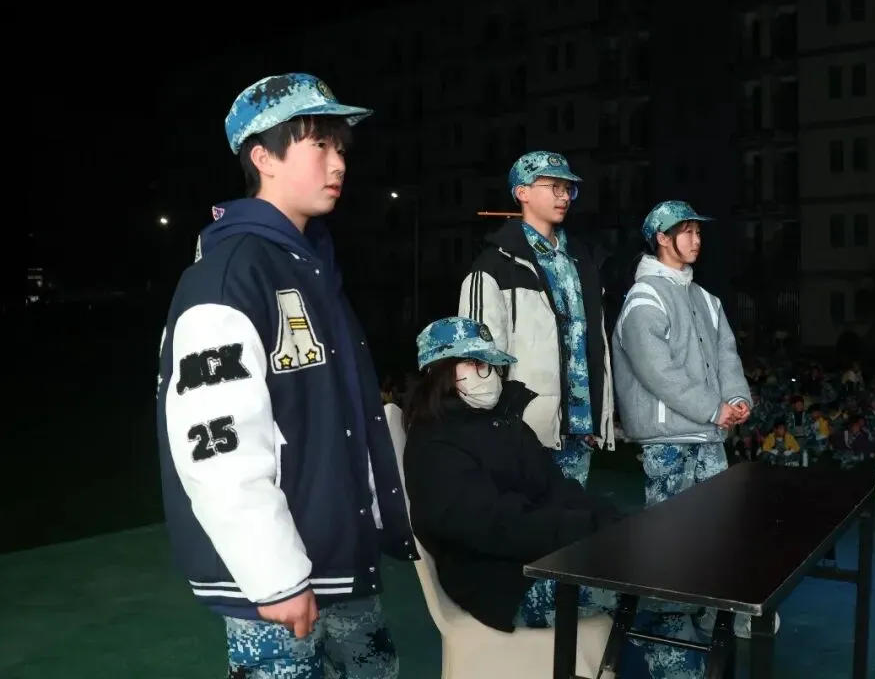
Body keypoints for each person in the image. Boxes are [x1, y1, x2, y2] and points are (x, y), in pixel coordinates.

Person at [156, 73, 417, 679]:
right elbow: (215, 446)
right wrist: (275, 577)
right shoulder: (230, 275)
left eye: (341, 147)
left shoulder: (310, 266)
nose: (338, 162)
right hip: (278, 584)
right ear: (262, 157)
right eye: (318, 144)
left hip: (339, 559)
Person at [402, 316, 708, 678]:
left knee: (669, 588)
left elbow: (555, 488)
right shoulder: (435, 446)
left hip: (550, 558)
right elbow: (494, 525)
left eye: (494, 366)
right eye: (476, 363)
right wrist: (588, 531)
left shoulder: (503, 423)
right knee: (668, 586)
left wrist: (612, 526)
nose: (491, 376)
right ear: (439, 371)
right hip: (506, 584)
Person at [612, 200, 776, 639]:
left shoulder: (707, 299)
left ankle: (713, 612)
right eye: (686, 231)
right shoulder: (644, 297)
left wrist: (736, 398)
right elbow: (656, 370)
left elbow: (726, 356)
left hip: (708, 434)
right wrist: (713, 407)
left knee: (719, 528)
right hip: (667, 438)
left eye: (698, 232)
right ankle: (666, 627)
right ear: (661, 238)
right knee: (670, 535)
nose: (696, 239)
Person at [458, 151, 614, 486]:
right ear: (522, 192)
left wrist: (595, 413)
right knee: (525, 515)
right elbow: (476, 354)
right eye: (554, 186)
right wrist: (492, 426)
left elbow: (593, 343)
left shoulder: (583, 262)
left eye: (568, 189)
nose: (564, 196)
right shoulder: (495, 265)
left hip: (578, 428)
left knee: (574, 516)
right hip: (523, 432)